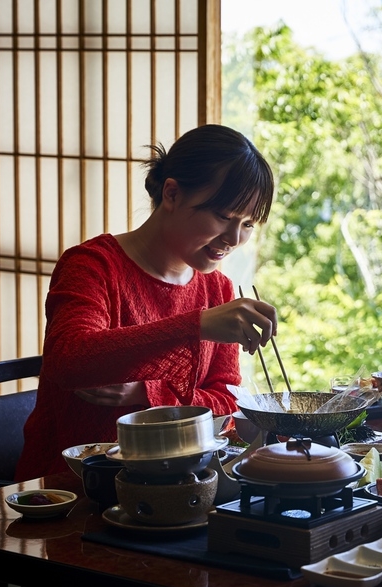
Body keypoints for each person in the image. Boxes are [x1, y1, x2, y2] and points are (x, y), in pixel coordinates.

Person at [15, 124, 277, 480]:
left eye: (248, 224)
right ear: (171, 194)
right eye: (223, 216)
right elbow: (68, 359)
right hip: (75, 487)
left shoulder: (216, 289)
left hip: (178, 484)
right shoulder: (93, 266)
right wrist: (196, 325)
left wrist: (146, 392)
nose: (233, 238)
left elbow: (228, 403)